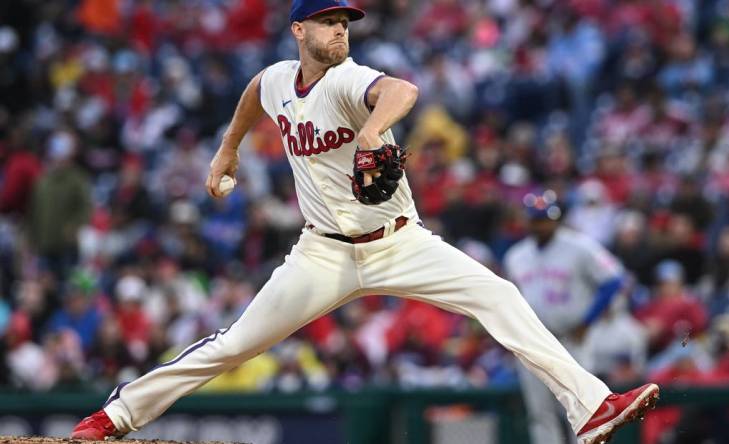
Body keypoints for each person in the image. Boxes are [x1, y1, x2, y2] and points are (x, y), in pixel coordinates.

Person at [71, 2, 659, 443]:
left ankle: (590, 408)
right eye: (327, 22)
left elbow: (401, 89)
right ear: (298, 30)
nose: (339, 31)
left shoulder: (350, 79)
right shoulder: (279, 78)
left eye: (344, 23)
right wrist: (229, 149)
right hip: (321, 255)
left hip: (400, 242)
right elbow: (256, 91)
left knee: (499, 296)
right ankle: (115, 416)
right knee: (234, 345)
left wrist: (374, 130)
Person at [504, 190, 630, 444]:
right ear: (527, 221)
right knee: (540, 414)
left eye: (546, 219)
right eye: (536, 219)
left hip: (570, 340)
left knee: (581, 411)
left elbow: (614, 280)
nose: (541, 224)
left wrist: (588, 321)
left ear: (557, 220)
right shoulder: (516, 256)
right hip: (532, 344)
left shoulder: (580, 247)